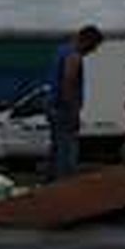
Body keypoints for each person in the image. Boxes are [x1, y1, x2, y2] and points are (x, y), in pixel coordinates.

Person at [48, 25, 105, 181]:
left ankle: (51, 186)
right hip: (64, 110)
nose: (93, 51)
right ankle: (64, 188)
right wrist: (73, 112)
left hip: (54, 107)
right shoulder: (74, 55)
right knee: (67, 153)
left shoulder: (61, 50)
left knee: (57, 149)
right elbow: (68, 82)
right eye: (94, 46)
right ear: (87, 41)